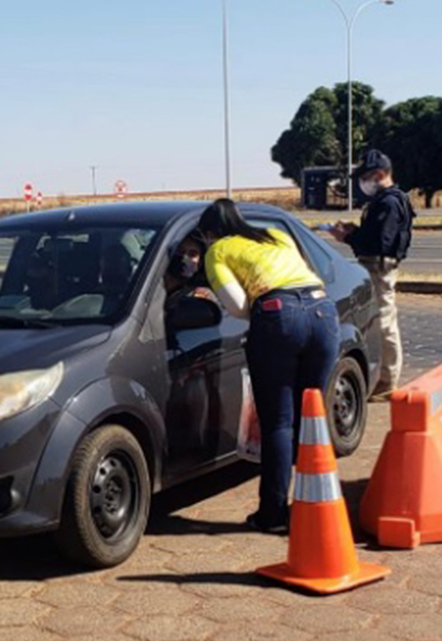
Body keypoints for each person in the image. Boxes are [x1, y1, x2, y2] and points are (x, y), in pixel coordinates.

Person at [199, 199, 339, 533]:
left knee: (279, 422)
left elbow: (236, 307)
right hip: (323, 313)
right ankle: (320, 506)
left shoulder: (218, 250)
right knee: (312, 417)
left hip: (278, 316)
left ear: (210, 232)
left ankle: (274, 514)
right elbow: (304, 276)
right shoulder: (276, 235)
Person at [331, 149, 415, 401]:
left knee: (385, 323)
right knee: (378, 322)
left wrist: (349, 237)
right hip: (375, 265)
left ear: (380, 174)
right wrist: (355, 232)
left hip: (379, 267)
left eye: (366, 177)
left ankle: (387, 381)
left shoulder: (389, 203)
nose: (362, 184)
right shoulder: (384, 201)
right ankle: (382, 377)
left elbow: (380, 242)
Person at [164, 235, 217, 309]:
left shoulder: (197, 295)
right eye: (180, 251)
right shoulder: (149, 279)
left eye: (192, 254)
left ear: (199, 263)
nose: (184, 258)